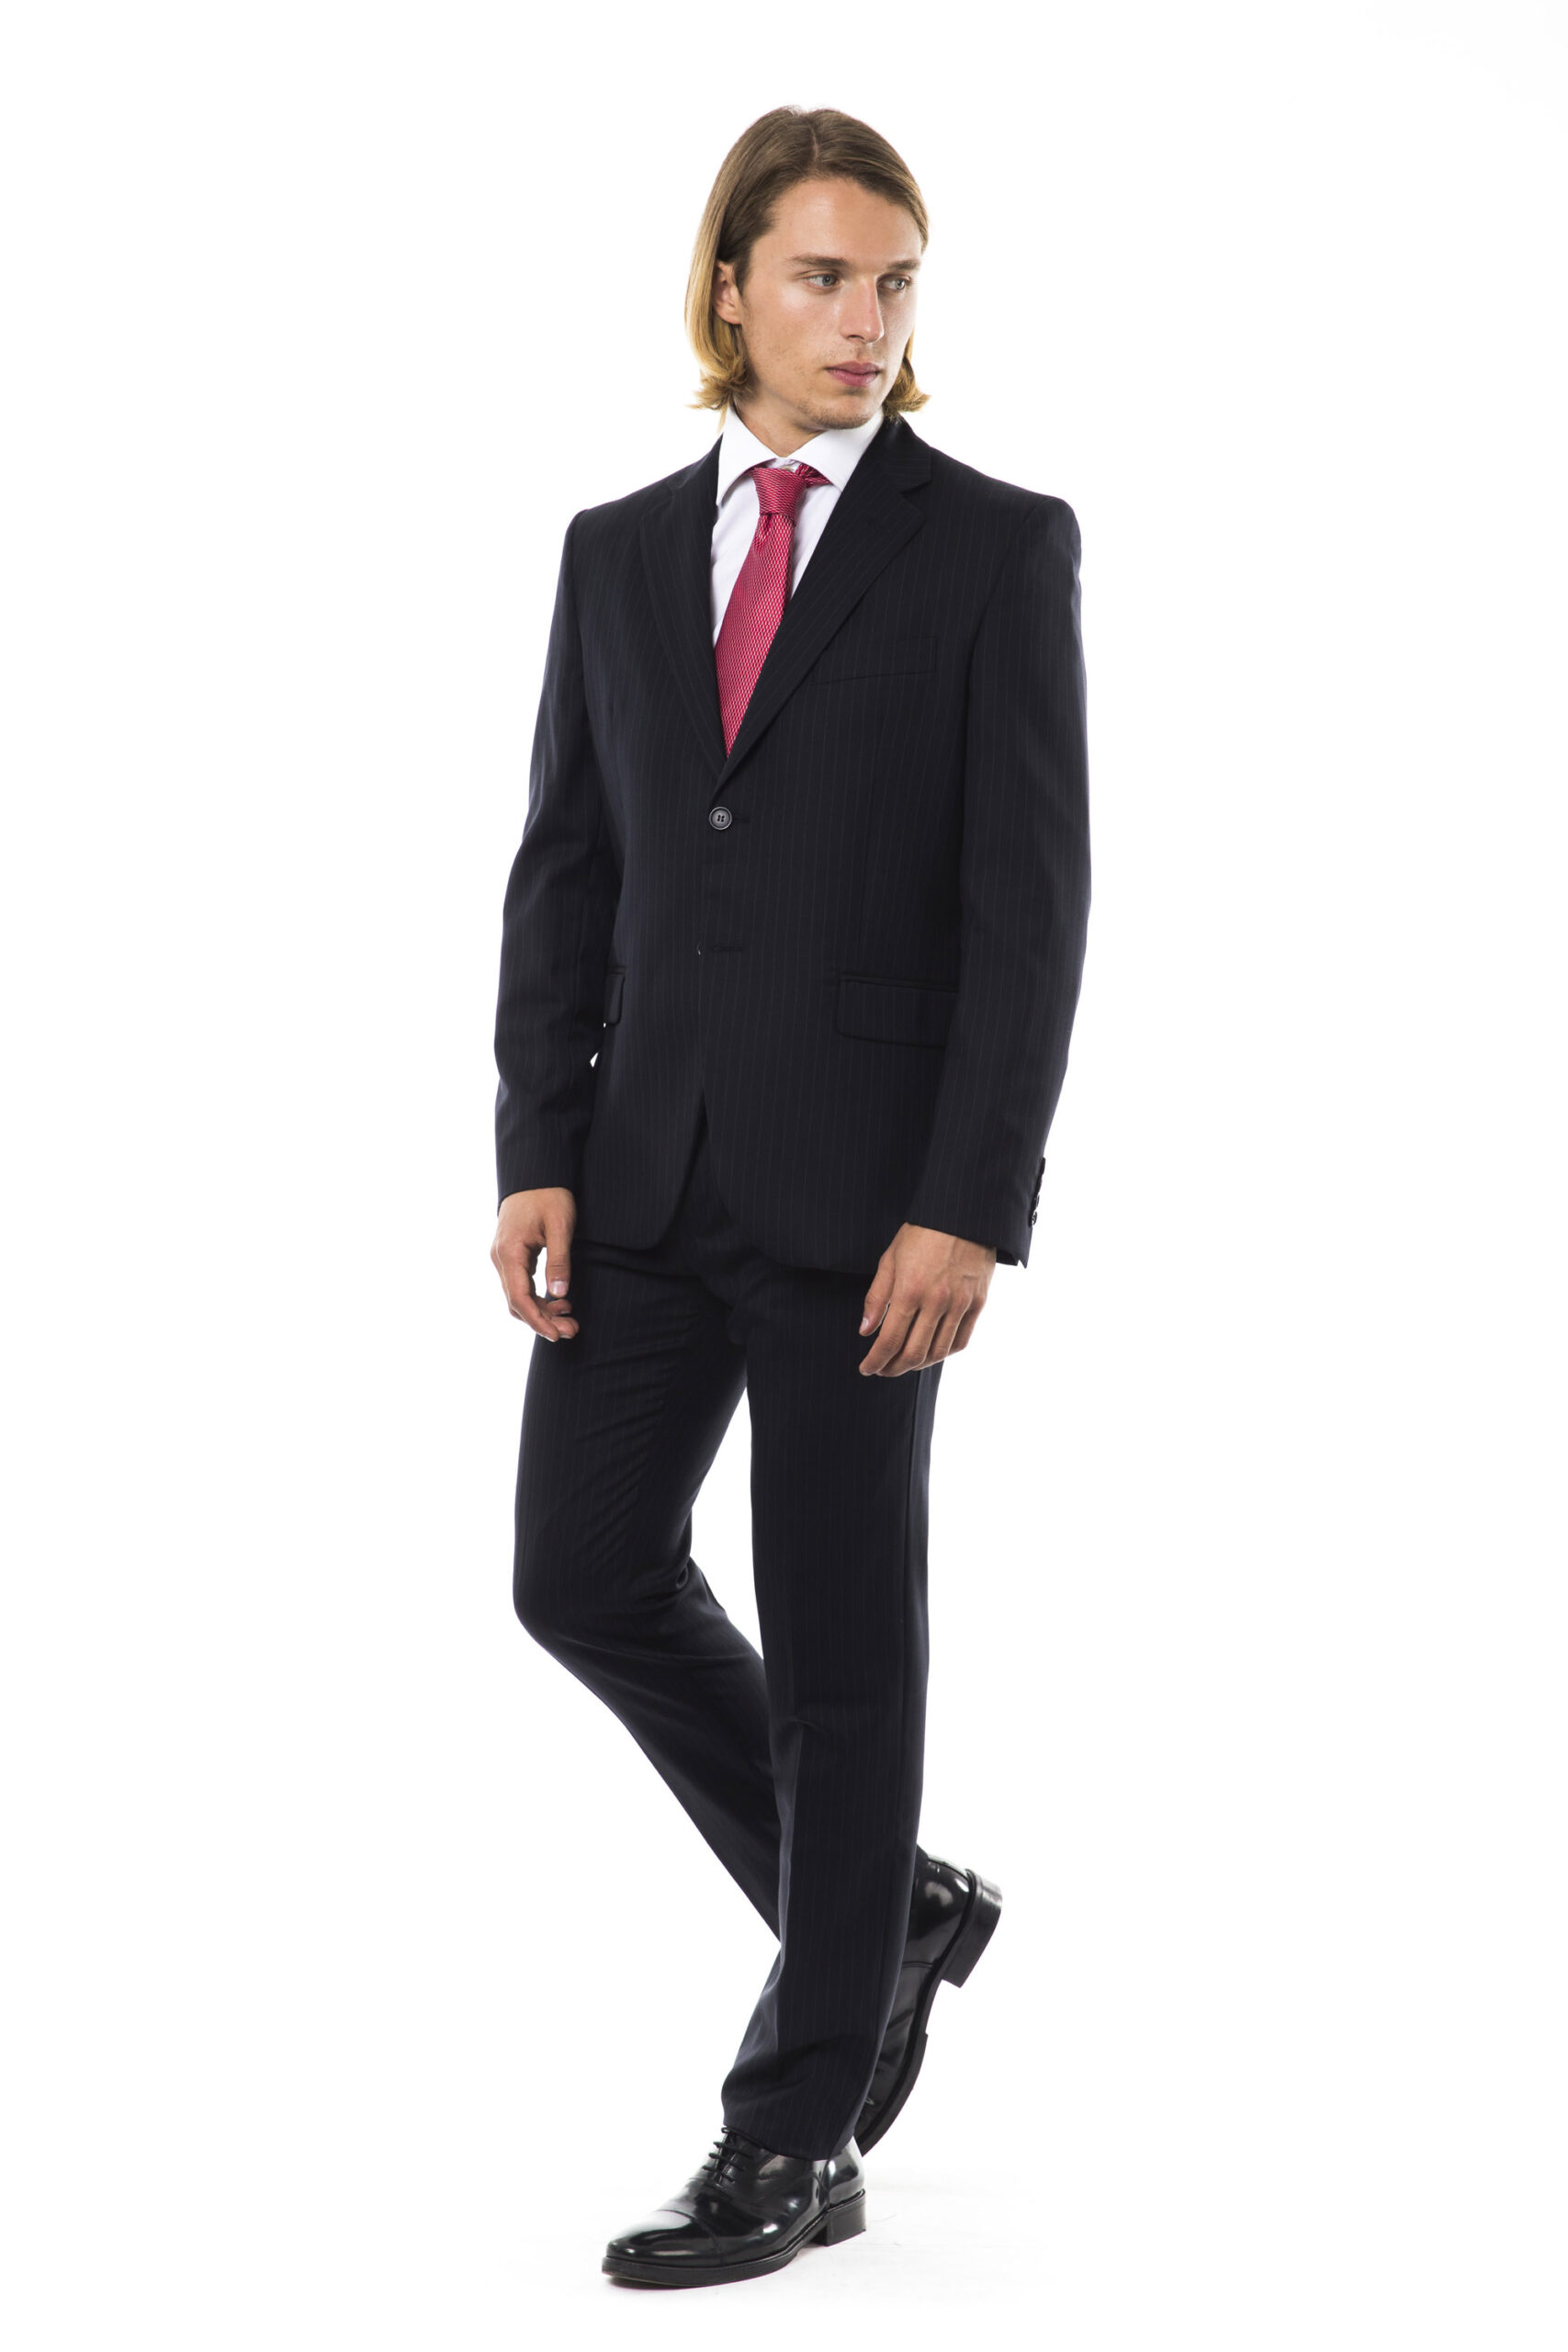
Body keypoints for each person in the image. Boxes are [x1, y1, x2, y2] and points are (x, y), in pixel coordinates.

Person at [491, 104, 1090, 2290]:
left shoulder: (988, 545)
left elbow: (1027, 907)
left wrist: (967, 1200)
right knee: (578, 1571)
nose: (865, 320)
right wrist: (534, 1141)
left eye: (895, 281)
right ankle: (886, 1903)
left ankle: (796, 2125)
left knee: (843, 1655)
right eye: (825, 276)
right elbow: (569, 867)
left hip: (867, 1213)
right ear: (730, 282)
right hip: (639, 1177)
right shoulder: (614, 551)